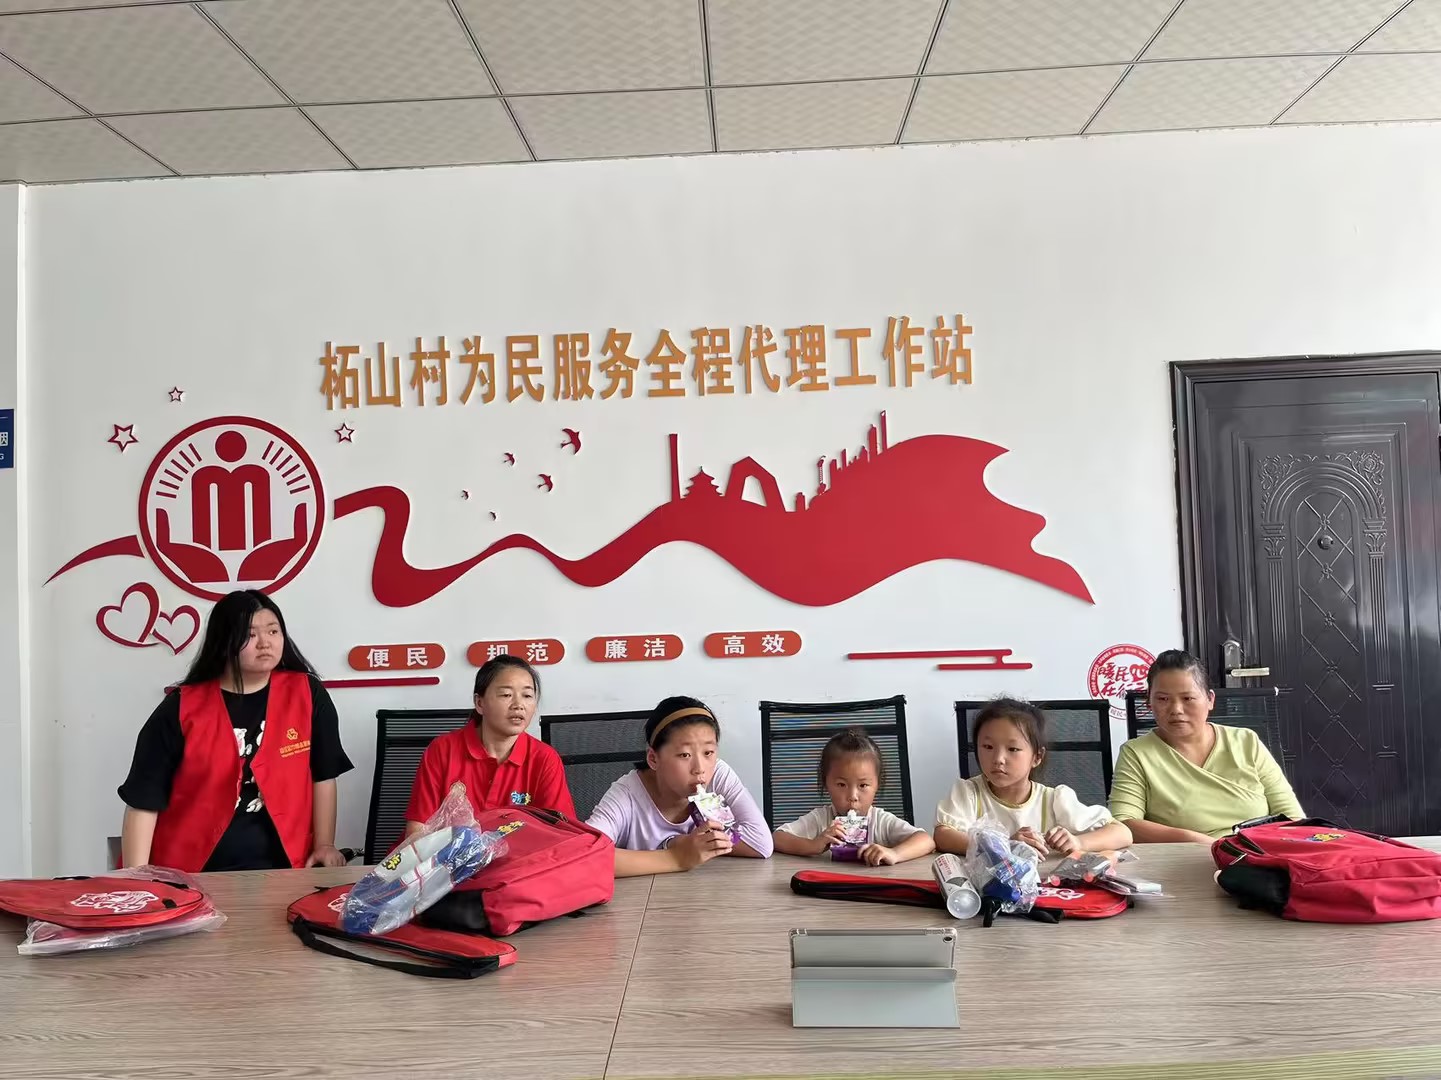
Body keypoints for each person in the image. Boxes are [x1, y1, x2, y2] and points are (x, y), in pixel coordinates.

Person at [118, 590, 353, 873]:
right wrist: (137, 878)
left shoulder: (307, 693)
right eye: (250, 635)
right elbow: (144, 800)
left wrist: (325, 844)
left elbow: (323, 775)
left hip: (285, 866)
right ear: (224, 641)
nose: (265, 643)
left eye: (273, 631)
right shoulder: (181, 707)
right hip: (189, 869)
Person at [1109, 650, 1302, 842]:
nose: (1176, 709)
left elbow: (1292, 817)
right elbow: (1124, 823)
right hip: (1184, 857)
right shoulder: (1136, 753)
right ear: (1148, 703)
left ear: (1210, 700)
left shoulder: (1247, 742)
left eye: (1187, 698)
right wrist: (1198, 841)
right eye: (1163, 699)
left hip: (1258, 853)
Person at [586, 696, 773, 876]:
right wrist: (676, 857)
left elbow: (760, 843)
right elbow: (586, 856)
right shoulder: (626, 795)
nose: (700, 769)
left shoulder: (718, 774)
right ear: (653, 758)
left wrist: (686, 843)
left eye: (708, 752)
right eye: (684, 755)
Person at [934, 697, 1132, 856]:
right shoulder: (969, 793)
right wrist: (1004, 845)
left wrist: (1079, 842)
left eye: (1013, 749)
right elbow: (943, 836)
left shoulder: (1054, 800)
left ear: (1037, 757)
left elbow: (1122, 833)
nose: (998, 759)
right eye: (987, 746)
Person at [404, 655, 575, 835]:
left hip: (521, 853)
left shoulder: (544, 758)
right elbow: (418, 831)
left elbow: (562, 834)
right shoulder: (443, 750)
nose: (519, 705)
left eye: (527, 695)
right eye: (506, 695)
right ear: (480, 703)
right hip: (446, 853)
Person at [774, 729, 935, 865]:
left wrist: (894, 853)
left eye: (863, 785)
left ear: (877, 785)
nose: (852, 797)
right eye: (841, 785)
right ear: (826, 783)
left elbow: (926, 840)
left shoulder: (881, 821)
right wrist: (813, 845)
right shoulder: (820, 819)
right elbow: (777, 837)